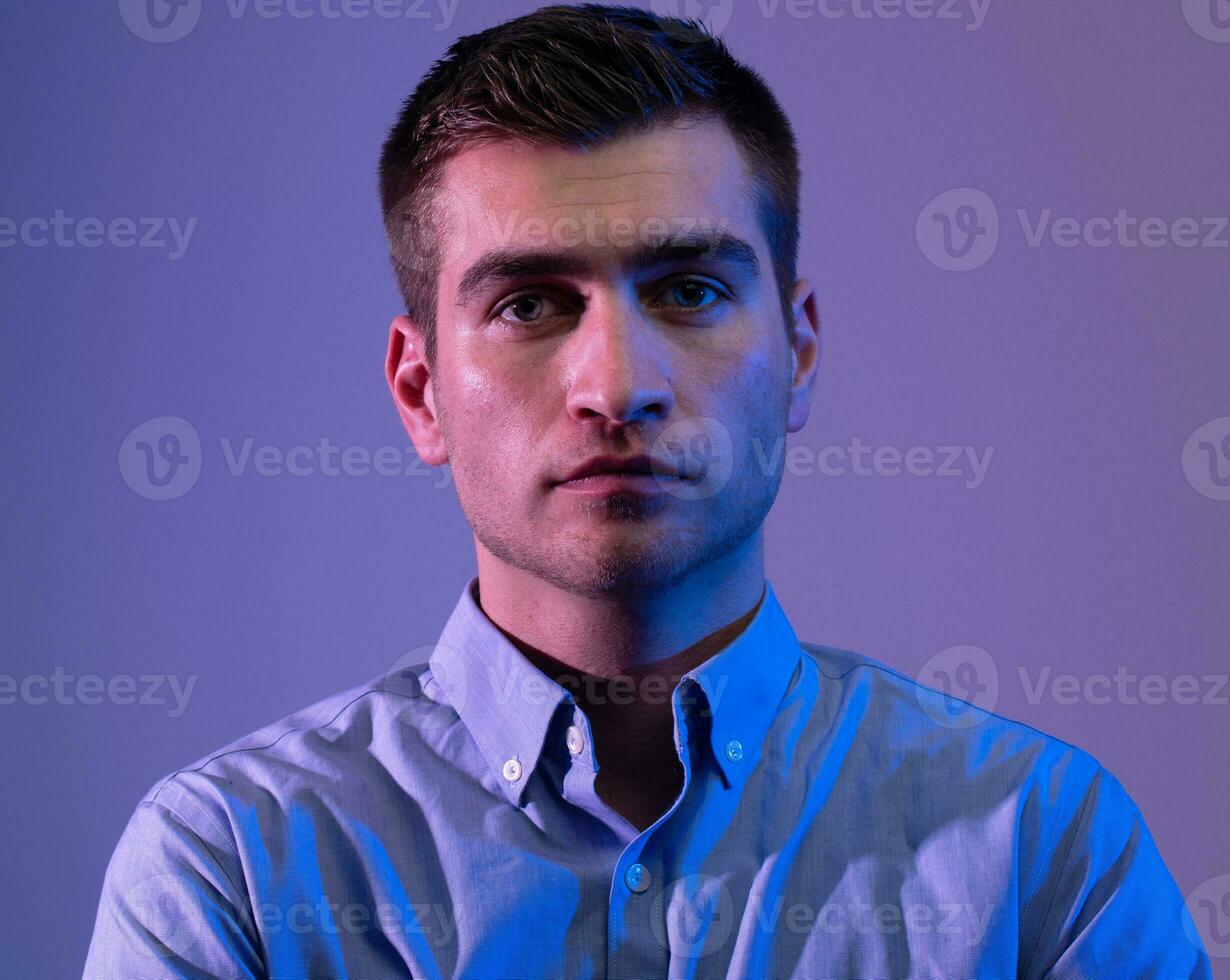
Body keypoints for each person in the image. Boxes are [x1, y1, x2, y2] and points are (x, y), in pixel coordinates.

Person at [84, 5, 1209, 976]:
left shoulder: (1040, 845)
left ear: (800, 352)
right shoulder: (232, 864)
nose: (617, 386)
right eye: (529, 303)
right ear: (420, 389)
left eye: (688, 288)